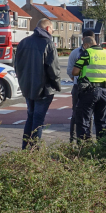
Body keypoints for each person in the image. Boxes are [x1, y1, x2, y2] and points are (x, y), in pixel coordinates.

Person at [14, 18, 62, 149]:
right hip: (43, 89)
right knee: (38, 120)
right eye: (52, 29)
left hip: (27, 87)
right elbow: (53, 69)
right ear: (47, 28)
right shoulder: (48, 43)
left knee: (30, 117)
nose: (52, 31)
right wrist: (57, 85)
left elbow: (16, 65)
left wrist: (22, 82)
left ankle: (25, 147)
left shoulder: (23, 42)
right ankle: (34, 150)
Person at [72, 36, 106, 140]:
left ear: (86, 45)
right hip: (105, 91)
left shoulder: (87, 53)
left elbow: (75, 72)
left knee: (84, 120)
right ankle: (103, 146)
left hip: (89, 91)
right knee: (102, 121)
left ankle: (84, 147)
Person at [67, 29, 96, 141]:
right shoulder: (76, 53)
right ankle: (73, 137)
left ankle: (87, 137)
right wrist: (77, 81)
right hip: (78, 88)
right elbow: (70, 70)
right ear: (83, 39)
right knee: (75, 112)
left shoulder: (97, 53)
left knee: (90, 113)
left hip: (92, 87)